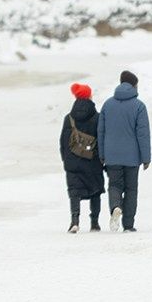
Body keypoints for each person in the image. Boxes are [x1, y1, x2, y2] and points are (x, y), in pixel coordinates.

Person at [97, 71, 151, 232]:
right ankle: (128, 225)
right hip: (132, 157)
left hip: (112, 155)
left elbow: (101, 131)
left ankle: (115, 207)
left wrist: (102, 154)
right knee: (131, 189)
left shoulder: (107, 105)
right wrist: (146, 158)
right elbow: (143, 134)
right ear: (134, 85)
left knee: (114, 185)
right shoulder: (139, 106)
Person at [60, 82, 105, 232]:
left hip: (73, 162)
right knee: (96, 191)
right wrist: (102, 158)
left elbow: (63, 142)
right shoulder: (98, 117)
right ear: (89, 96)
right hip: (93, 161)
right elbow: (101, 139)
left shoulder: (69, 118)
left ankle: (75, 220)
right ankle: (95, 223)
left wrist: (66, 160)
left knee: (75, 191)